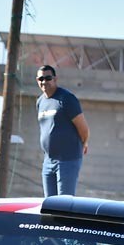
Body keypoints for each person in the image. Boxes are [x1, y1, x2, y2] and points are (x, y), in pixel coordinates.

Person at [36, 65, 90, 197]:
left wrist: (84, 144)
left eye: (48, 78)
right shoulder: (40, 102)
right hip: (48, 160)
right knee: (49, 204)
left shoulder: (66, 99)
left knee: (63, 204)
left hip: (67, 160)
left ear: (55, 79)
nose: (44, 82)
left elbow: (83, 128)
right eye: (41, 78)